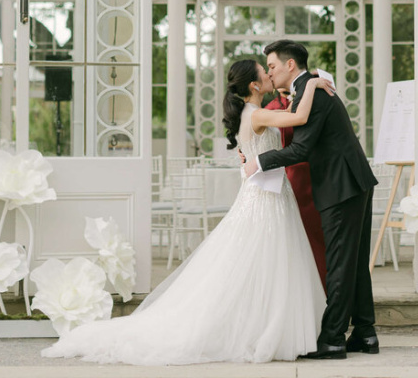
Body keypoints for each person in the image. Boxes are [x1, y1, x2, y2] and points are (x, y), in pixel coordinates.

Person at [41, 59, 332, 365]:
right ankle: (265, 329)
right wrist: (312, 82)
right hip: (264, 199)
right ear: (254, 85)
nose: (270, 73)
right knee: (263, 262)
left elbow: (288, 115)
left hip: (266, 195)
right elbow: (299, 117)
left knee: (266, 264)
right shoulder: (257, 113)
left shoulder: (255, 112)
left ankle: (268, 326)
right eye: (264, 71)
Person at [244, 39, 379, 360]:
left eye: (273, 66)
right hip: (352, 180)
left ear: (290, 65)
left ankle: (332, 339)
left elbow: (301, 150)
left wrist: (258, 163)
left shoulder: (312, 91)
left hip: (341, 184)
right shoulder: (308, 89)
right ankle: (365, 333)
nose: (271, 73)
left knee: (340, 262)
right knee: (355, 263)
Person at [265, 88, 327, 289]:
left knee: (317, 235)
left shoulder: (307, 99)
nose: (271, 74)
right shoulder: (270, 108)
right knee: (295, 236)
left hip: (314, 173)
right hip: (290, 176)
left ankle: (323, 287)